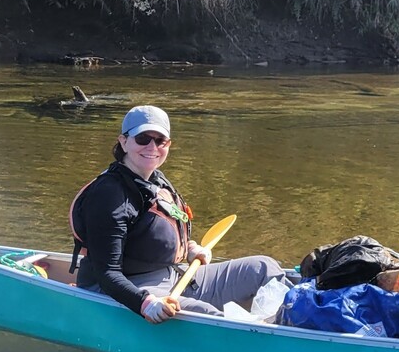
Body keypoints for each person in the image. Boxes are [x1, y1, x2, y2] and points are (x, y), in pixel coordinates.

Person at [70, 105, 285, 323]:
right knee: (209, 315)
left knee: (264, 268)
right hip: (130, 290)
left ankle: (292, 323)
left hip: (176, 275)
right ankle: (261, 339)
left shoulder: (156, 180)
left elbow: (159, 231)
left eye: (160, 141)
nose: (152, 147)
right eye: (143, 138)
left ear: (168, 145)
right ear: (124, 142)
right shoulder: (109, 196)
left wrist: (190, 249)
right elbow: (107, 274)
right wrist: (146, 304)